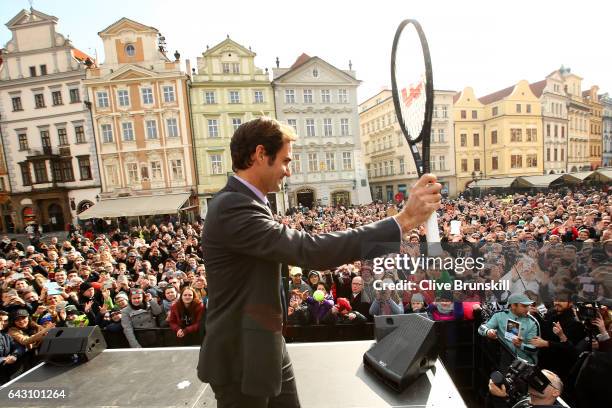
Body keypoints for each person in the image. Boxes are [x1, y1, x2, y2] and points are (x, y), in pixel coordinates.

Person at [197, 117, 441, 408]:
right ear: (260, 155)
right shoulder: (231, 206)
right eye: (285, 161)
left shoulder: (248, 201)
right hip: (241, 356)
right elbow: (310, 251)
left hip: (264, 342)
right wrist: (402, 221)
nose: (289, 171)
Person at [480, 293, 540, 365]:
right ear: (513, 305)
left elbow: (535, 348)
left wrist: (521, 345)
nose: (527, 308)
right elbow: (481, 328)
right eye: (524, 306)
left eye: (528, 306)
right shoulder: (499, 316)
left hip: (527, 363)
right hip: (505, 361)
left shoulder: (533, 322)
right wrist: (488, 331)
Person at [488, 368, 564, 407]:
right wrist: (499, 396)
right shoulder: (524, 400)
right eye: (533, 377)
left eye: (540, 380)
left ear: (555, 392)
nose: (533, 382)